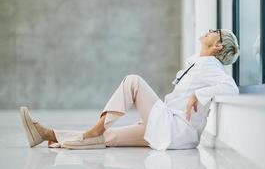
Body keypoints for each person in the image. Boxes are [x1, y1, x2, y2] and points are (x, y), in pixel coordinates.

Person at [20, 29, 240, 150]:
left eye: (216, 32)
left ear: (218, 46)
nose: (211, 30)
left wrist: (197, 94)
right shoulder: (198, 62)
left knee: (133, 81)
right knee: (109, 137)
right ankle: (47, 135)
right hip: (173, 133)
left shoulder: (211, 65)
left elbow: (231, 88)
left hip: (174, 127)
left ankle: (95, 128)